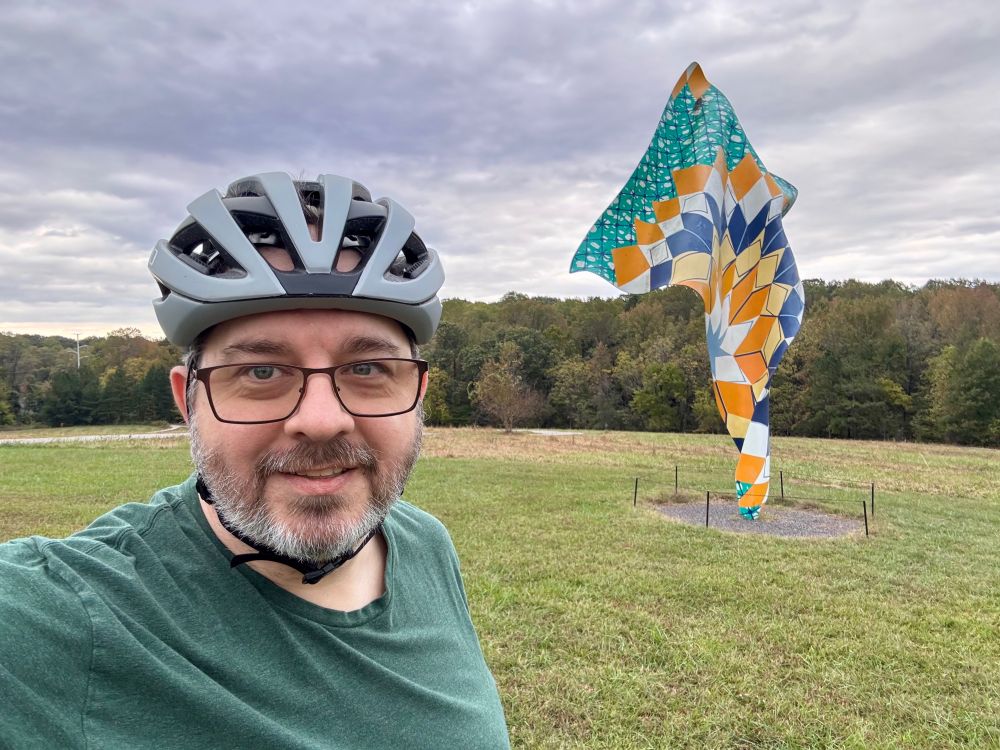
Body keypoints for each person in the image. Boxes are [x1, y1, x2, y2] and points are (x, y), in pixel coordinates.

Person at [0, 172, 510, 749]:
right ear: (188, 401)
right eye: (261, 372)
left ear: (417, 392)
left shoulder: (422, 542)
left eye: (367, 368)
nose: (320, 421)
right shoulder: (64, 614)